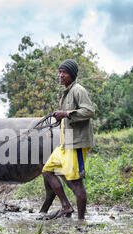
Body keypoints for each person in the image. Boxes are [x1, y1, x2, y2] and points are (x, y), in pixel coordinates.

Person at [42, 58, 95, 220]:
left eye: (64, 72)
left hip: (76, 143)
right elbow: (70, 115)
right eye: (59, 72)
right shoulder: (66, 93)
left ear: (72, 74)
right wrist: (60, 116)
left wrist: (65, 114)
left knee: (77, 182)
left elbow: (89, 111)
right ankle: (66, 206)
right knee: (47, 171)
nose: (60, 75)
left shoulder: (78, 90)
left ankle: (81, 221)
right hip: (66, 143)